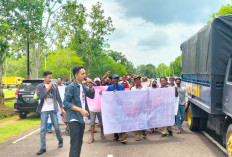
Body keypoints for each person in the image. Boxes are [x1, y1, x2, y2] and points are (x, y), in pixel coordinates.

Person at [63, 66, 95, 157]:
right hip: (74, 119)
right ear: (76, 75)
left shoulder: (83, 86)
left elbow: (91, 96)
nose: (85, 75)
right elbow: (66, 103)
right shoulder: (71, 87)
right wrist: (80, 109)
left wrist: (91, 86)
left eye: (85, 74)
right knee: (75, 144)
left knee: (79, 142)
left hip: (81, 119)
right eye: (83, 74)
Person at [36, 71, 65, 155]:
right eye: (49, 77)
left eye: (51, 77)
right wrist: (48, 88)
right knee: (42, 129)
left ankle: (60, 140)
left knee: (56, 127)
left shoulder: (54, 86)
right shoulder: (39, 86)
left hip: (53, 109)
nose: (50, 79)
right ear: (44, 77)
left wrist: (62, 108)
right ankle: (43, 148)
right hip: (44, 109)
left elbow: (58, 97)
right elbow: (41, 97)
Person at [106, 74, 127, 144]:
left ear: (118, 80)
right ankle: (116, 136)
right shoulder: (109, 87)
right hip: (113, 107)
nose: (116, 80)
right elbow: (107, 96)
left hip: (120, 107)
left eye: (117, 78)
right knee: (114, 121)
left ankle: (123, 137)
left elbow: (124, 96)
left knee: (122, 121)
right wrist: (101, 93)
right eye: (114, 78)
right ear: (112, 80)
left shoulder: (121, 87)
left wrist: (117, 93)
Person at [131, 75, 148, 141]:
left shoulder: (145, 88)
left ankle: (144, 131)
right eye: (136, 80)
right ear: (134, 81)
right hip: (136, 108)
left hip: (144, 107)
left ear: (140, 80)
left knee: (143, 121)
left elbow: (148, 97)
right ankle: (137, 135)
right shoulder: (133, 89)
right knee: (136, 121)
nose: (137, 81)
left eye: (138, 79)